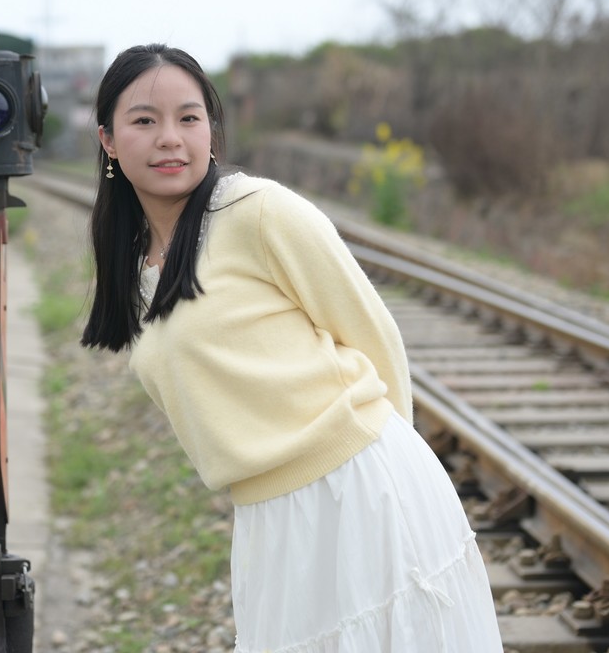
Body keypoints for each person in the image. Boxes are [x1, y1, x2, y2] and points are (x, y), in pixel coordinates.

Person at [80, 43, 502, 653]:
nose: (170, 137)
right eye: (144, 120)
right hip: (268, 519)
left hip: (359, 486)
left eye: (189, 118)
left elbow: (375, 337)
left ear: (212, 133)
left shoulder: (258, 213)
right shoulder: (134, 265)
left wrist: (389, 492)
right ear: (109, 141)